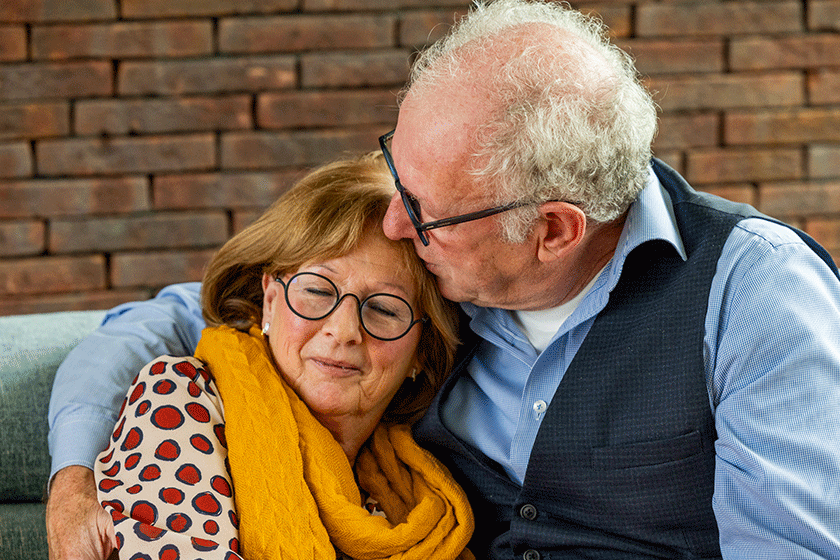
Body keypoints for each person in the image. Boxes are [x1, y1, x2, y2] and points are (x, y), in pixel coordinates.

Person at [47, 0, 840, 558]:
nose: (397, 226)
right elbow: (177, 321)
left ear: (554, 231)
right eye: (399, 173)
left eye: (426, 213)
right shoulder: (428, 284)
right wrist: (74, 479)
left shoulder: (754, 296)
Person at [55, 152, 474, 560]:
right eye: (316, 291)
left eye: (384, 309)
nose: (344, 331)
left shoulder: (421, 485)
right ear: (270, 301)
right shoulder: (179, 400)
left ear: (422, 348)